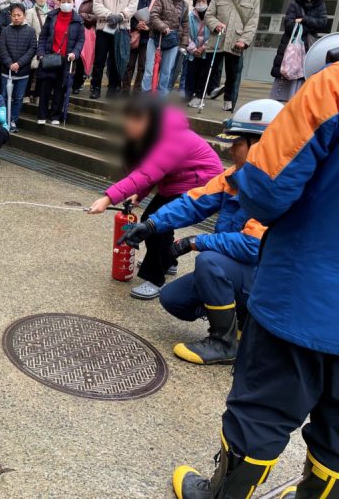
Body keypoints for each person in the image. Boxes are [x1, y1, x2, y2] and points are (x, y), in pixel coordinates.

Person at [171, 50, 339, 499]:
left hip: (305, 300)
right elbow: (194, 200)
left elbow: (265, 192)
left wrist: (195, 241)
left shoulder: (331, 87)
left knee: (262, 410)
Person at [119, 100, 282, 365]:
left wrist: (195, 242)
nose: (230, 150)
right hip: (244, 273)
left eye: (237, 143)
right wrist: (151, 224)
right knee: (174, 299)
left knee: (209, 262)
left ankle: (224, 343)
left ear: (261, 144)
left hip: (269, 279)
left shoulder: (279, 186)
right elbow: (193, 202)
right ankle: (242, 321)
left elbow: (254, 245)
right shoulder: (234, 177)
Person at [88, 96, 223, 299]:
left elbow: (145, 174)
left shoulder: (173, 138)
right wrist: (137, 195)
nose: (128, 126)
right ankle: (167, 261)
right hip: (177, 181)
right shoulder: (156, 136)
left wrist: (108, 198)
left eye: (135, 120)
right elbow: (151, 174)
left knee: (154, 222)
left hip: (201, 184)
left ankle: (155, 278)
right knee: (157, 220)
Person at [204, 0, 260, 112]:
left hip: (236, 41)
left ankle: (229, 101)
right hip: (218, 38)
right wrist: (216, 25)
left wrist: (244, 40)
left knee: (232, 74)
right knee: (208, 69)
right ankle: (200, 95)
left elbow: (252, 22)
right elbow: (209, 15)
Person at [270, 0, 328, 101]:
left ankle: (296, 104)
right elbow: (289, 26)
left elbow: (323, 23)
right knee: (286, 72)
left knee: (302, 77)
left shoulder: (320, 5)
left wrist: (303, 20)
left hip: (308, 47)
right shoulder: (294, 4)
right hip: (290, 47)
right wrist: (310, 26)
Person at [91, 0, 139, 99]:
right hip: (103, 28)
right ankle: (96, 88)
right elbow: (96, 6)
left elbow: (133, 6)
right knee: (99, 60)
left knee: (116, 59)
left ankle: (113, 88)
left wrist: (121, 16)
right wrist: (109, 15)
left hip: (122, 28)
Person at [37, 0, 85, 126]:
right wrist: (41, 52)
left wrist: (75, 53)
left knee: (60, 88)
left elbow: (81, 40)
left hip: (67, 60)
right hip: (50, 57)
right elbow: (43, 36)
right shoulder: (51, 16)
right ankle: (42, 114)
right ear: (59, 2)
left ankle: (55, 115)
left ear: (73, 3)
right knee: (45, 87)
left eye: (69, 1)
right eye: (64, 0)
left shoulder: (78, 20)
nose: (66, 3)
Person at [142, 0, 189, 97]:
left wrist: (184, 44)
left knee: (166, 71)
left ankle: (161, 97)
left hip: (173, 40)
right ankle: (146, 95)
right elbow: (153, 15)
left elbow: (185, 25)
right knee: (149, 69)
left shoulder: (185, 4)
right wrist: (162, 27)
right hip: (156, 37)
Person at [0, 2, 36, 131]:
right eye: (14, 15)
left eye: (19, 15)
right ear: (10, 16)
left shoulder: (31, 31)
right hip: (6, 71)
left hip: (23, 72)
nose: (16, 18)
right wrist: (9, 63)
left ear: (24, 15)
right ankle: (3, 121)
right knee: (4, 97)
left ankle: (13, 120)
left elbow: (32, 49)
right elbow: (2, 48)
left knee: (18, 98)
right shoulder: (5, 30)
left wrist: (19, 64)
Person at [123, 0, 157, 93]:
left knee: (143, 66)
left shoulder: (157, 0)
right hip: (133, 35)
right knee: (129, 64)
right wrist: (135, 25)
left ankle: (138, 90)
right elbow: (127, 14)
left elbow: (158, 18)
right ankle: (125, 89)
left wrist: (149, 27)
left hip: (148, 38)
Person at [185, 0, 216, 107]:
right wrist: (193, 49)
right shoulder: (190, 16)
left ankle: (199, 96)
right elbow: (185, 33)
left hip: (207, 51)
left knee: (204, 74)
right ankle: (188, 94)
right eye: (198, 1)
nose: (201, 4)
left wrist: (203, 47)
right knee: (191, 73)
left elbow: (214, 34)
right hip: (192, 50)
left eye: (204, 1)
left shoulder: (214, 17)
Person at [25, 0, 50, 102]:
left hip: (46, 46)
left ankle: (38, 94)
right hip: (33, 44)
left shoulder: (50, 12)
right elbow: (27, 28)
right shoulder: (29, 12)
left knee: (43, 70)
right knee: (31, 70)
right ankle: (27, 94)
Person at [72, 0, 97, 95]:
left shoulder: (91, 1)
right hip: (69, 32)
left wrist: (81, 16)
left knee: (81, 59)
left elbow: (95, 17)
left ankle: (77, 84)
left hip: (84, 32)